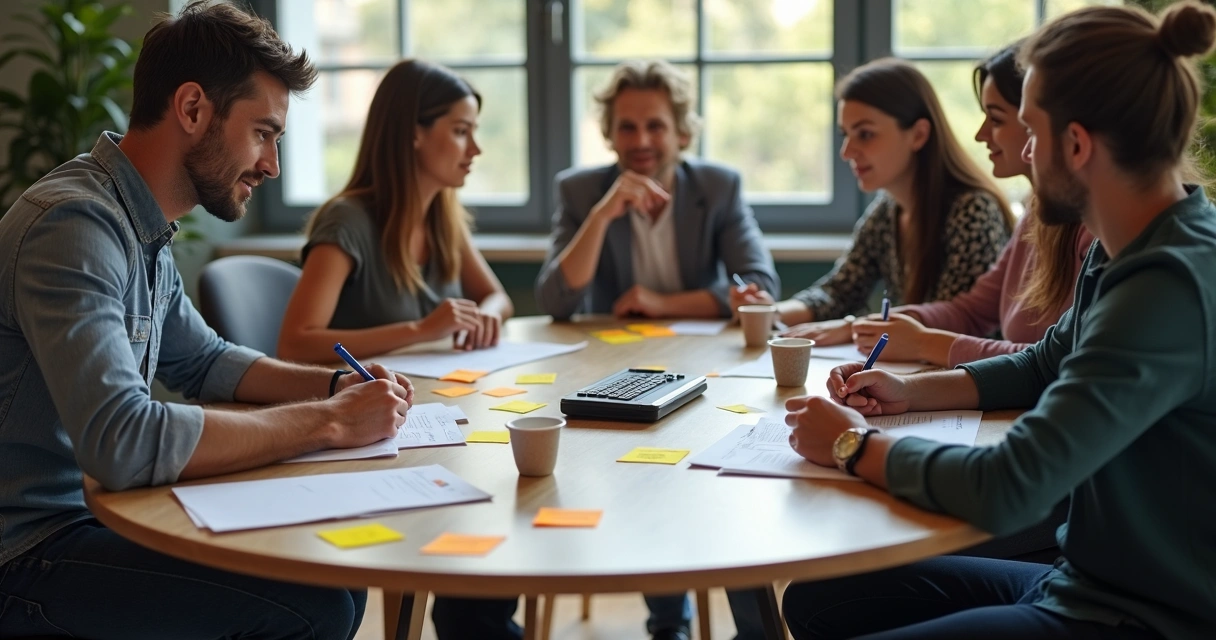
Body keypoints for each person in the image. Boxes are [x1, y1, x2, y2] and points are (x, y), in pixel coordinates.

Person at [781, 3, 1216, 638]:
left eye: (1031, 130)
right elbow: (1045, 363)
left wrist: (852, 445)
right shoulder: (1120, 246)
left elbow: (1010, 485)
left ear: (1076, 144)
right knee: (819, 602)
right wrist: (909, 389)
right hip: (1085, 579)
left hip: (1141, 618)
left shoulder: (1169, 285)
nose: (1023, 150)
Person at [0, 2, 418, 637]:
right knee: (316, 604)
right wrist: (330, 422)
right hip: (26, 556)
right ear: (192, 109)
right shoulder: (73, 226)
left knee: (334, 572)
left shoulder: (137, 225)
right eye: (263, 133)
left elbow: (203, 361)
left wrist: (336, 386)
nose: (271, 165)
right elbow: (124, 442)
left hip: (88, 520)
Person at [731, 59, 1014, 345]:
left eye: (865, 134)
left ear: (918, 135)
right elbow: (838, 291)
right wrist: (769, 311)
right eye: (846, 134)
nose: (847, 151)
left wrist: (853, 327)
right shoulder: (887, 209)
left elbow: (955, 325)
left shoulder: (972, 211)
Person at [851, 43, 1094, 369]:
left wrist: (923, 342)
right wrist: (886, 325)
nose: (981, 134)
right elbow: (972, 310)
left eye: (995, 119)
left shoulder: (1096, 229)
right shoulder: (1037, 214)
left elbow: (1063, 361)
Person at [277, 60, 513, 363]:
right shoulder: (345, 221)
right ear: (414, 134)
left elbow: (498, 298)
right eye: (460, 131)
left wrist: (486, 315)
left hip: (427, 394)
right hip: (363, 402)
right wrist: (421, 330)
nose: (475, 149)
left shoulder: (442, 216)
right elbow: (294, 345)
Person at [535, 59, 779, 322]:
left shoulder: (717, 187)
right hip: (611, 351)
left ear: (682, 134)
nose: (641, 141)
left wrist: (662, 304)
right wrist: (600, 217)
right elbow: (554, 303)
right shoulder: (580, 191)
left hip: (701, 349)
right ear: (610, 135)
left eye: (655, 126)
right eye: (627, 128)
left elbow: (760, 286)